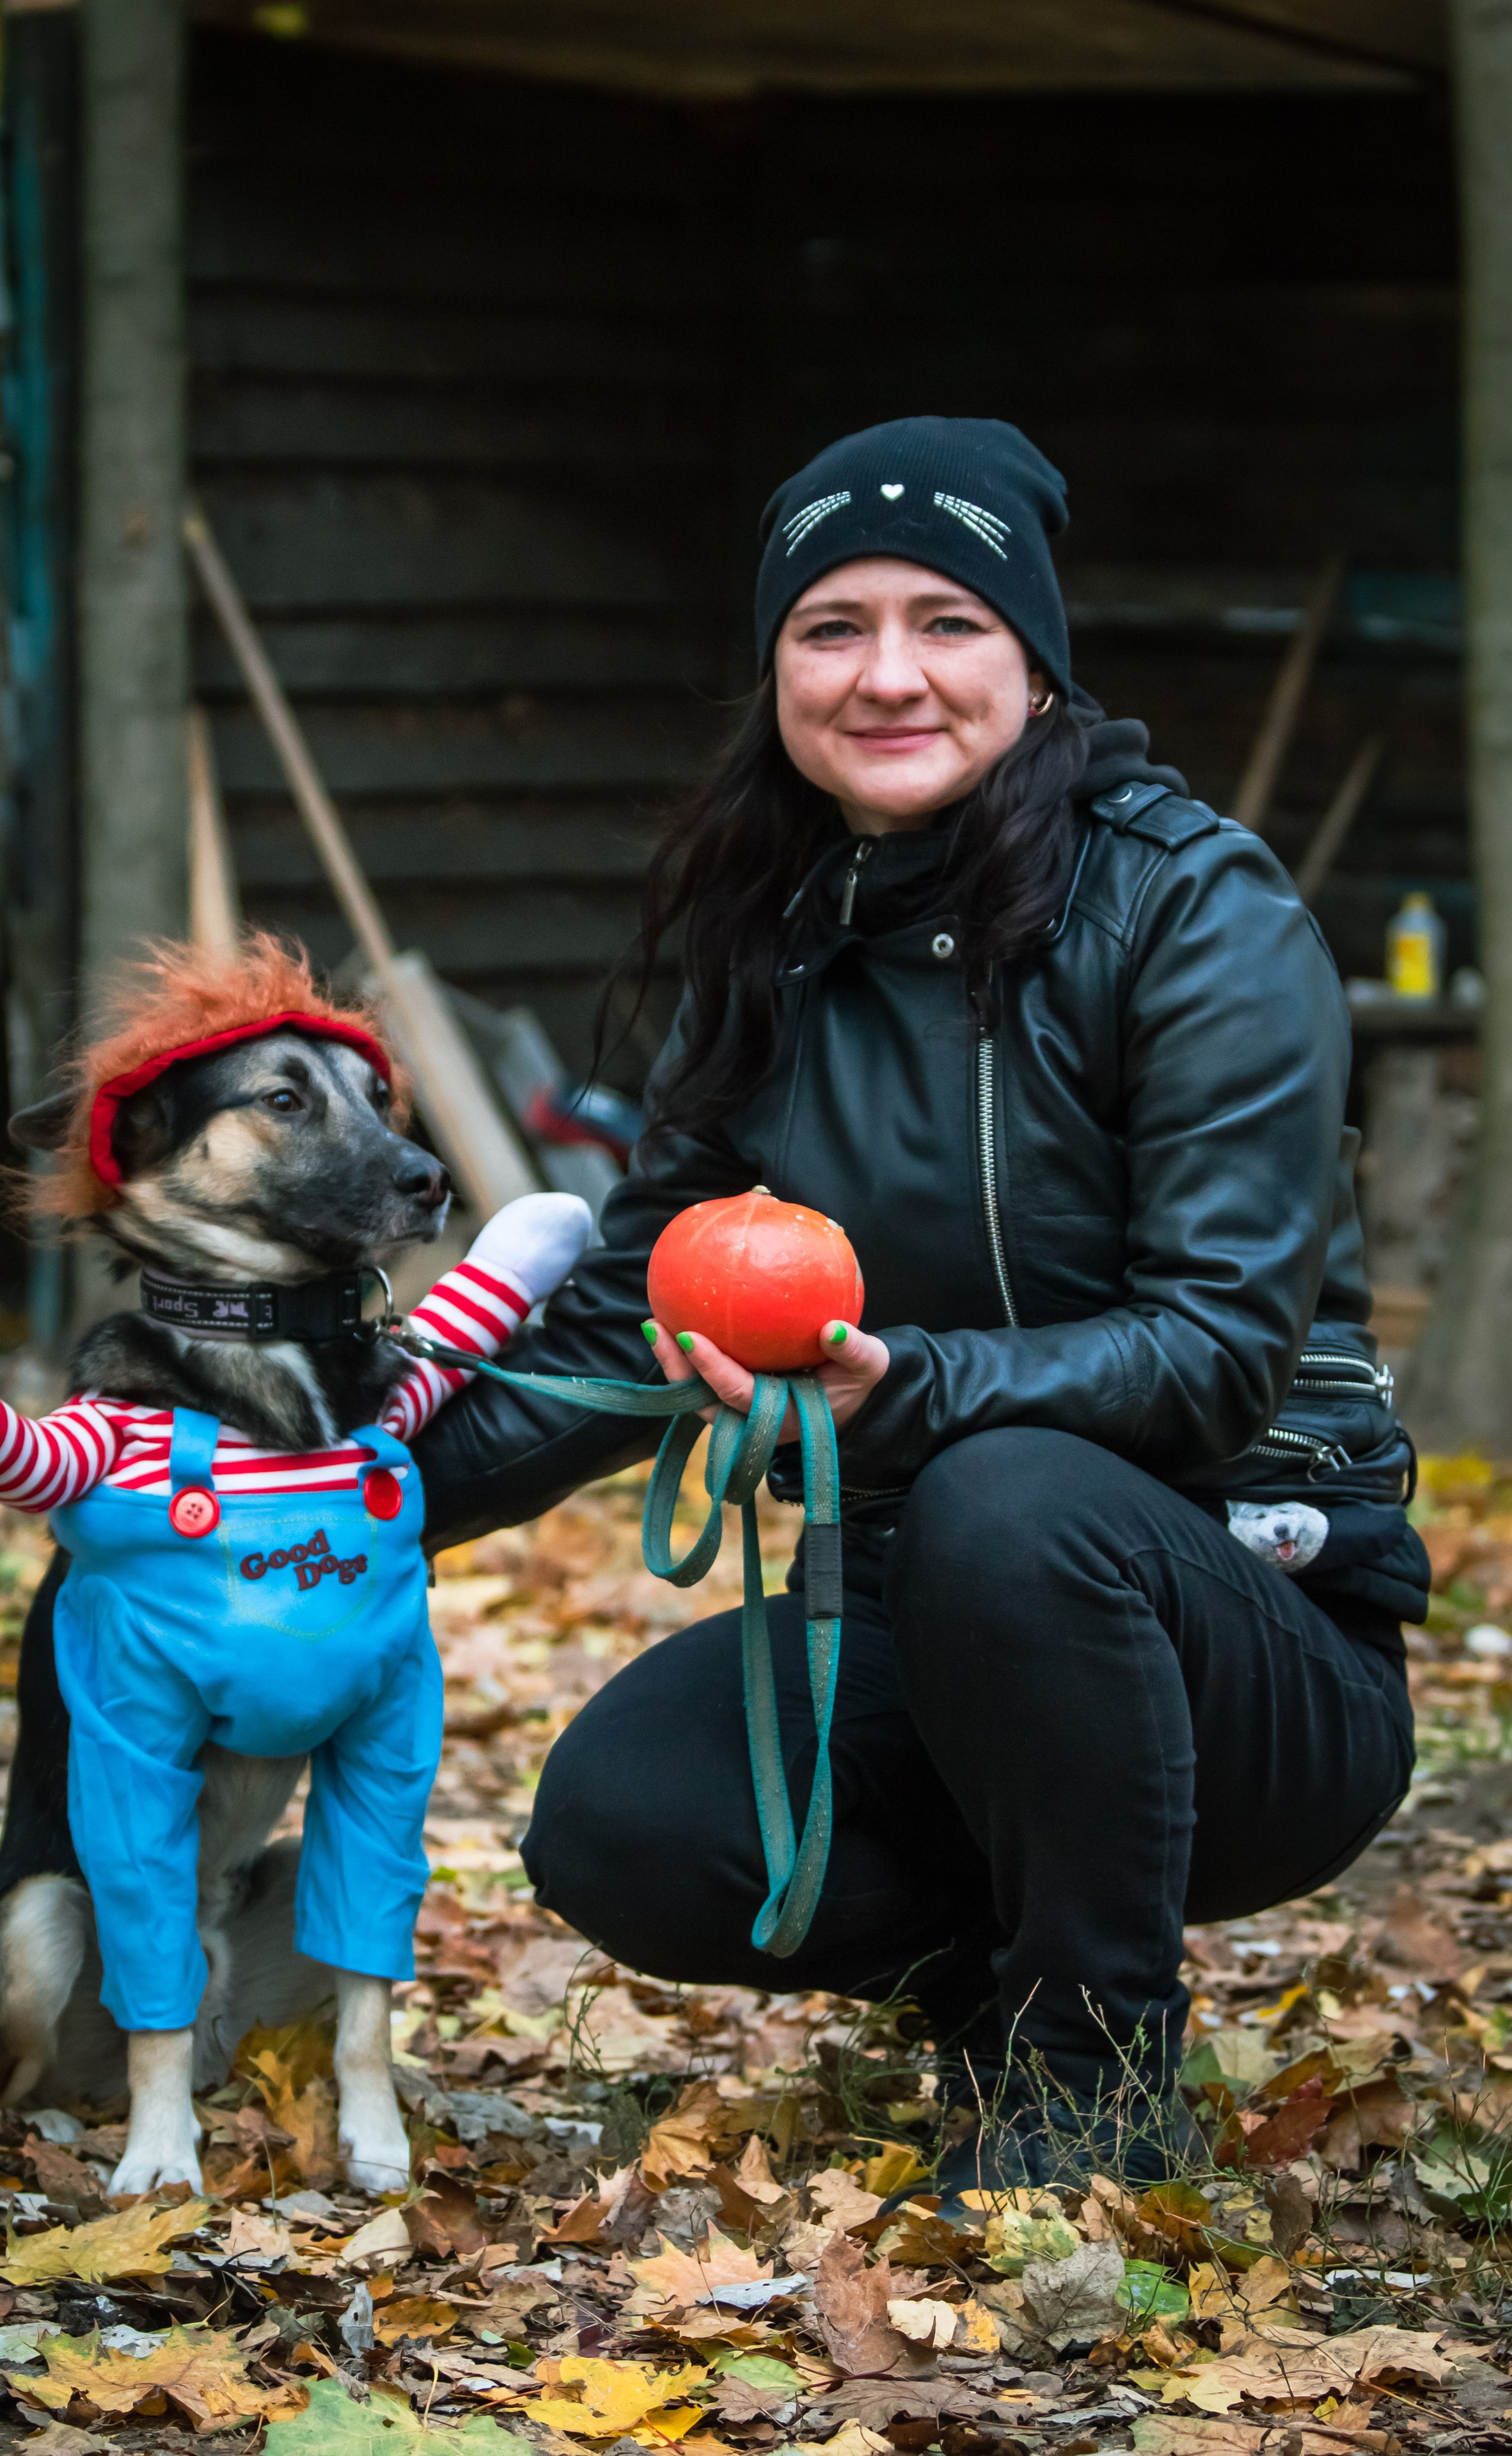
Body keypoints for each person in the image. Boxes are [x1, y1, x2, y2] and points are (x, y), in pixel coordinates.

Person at [414, 416, 1424, 2192]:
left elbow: (1216, 1350)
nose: (890, 675)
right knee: (625, 1825)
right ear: (775, 665)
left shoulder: (1197, 911)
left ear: (1033, 661)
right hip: (920, 1618)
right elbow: (624, 1318)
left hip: (1252, 1634)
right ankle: (998, 1975)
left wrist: (917, 1390)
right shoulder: (776, 922)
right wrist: (339, 1490)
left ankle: (1097, 2065)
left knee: (1006, 1493)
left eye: (948, 620)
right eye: (833, 626)